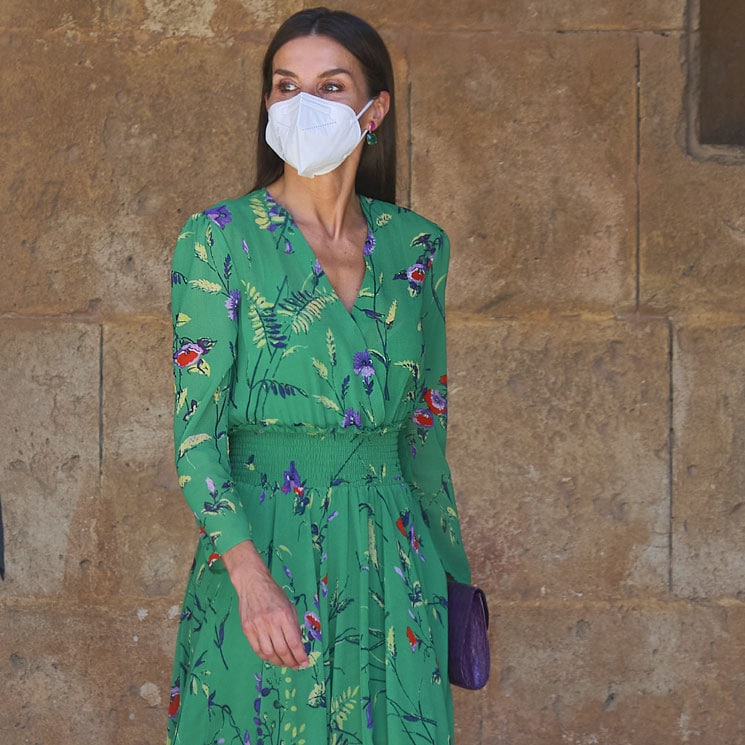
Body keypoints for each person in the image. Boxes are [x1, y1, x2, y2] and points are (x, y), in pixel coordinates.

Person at [168, 7, 471, 744]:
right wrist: (248, 578)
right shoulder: (218, 239)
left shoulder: (417, 247)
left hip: (393, 553)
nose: (303, 103)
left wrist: (452, 586)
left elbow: (424, 435)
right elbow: (197, 435)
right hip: (261, 553)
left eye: (330, 86)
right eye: (284, 85)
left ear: (374, 111)